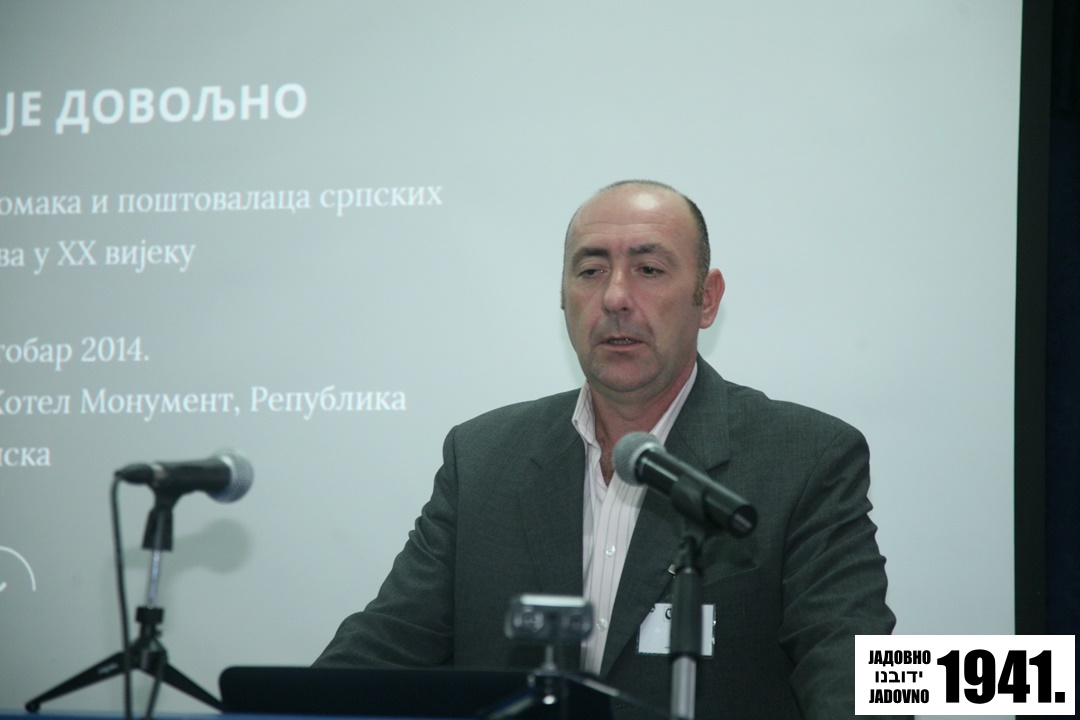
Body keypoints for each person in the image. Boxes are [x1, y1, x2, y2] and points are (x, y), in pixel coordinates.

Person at [315, 180, 901, 720]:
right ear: (563, 296)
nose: (616, 296)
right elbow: (381, 653)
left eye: (648, 269)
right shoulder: (483, 456)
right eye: (591, 271)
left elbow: (860, 673)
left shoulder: (809, 457)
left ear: (707, 299)